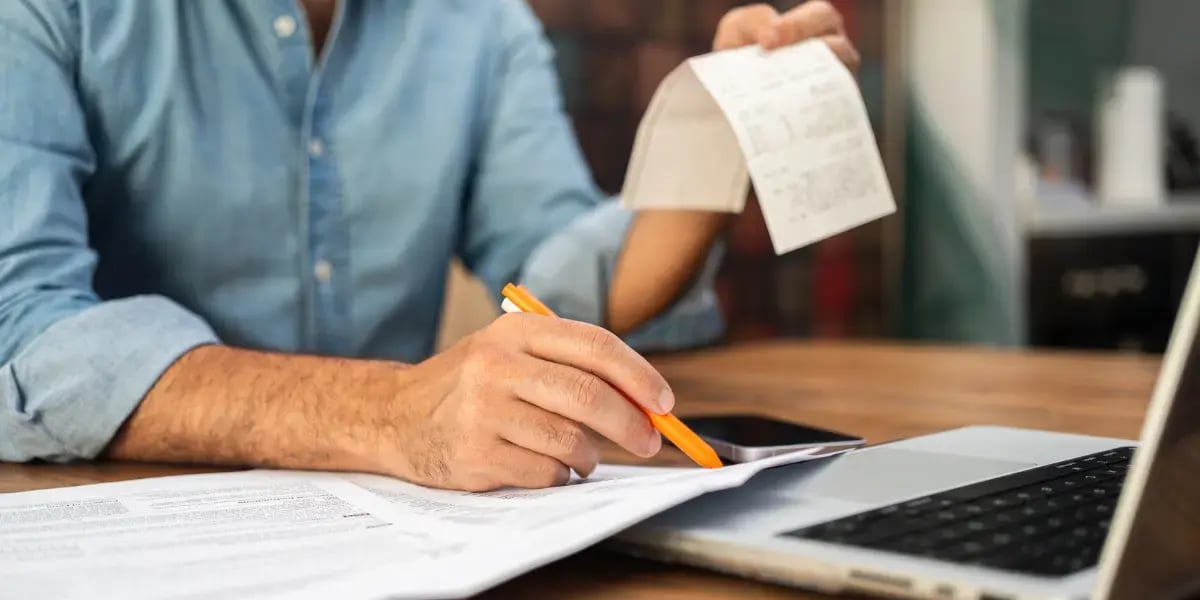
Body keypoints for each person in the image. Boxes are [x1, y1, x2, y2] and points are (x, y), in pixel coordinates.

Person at [0, 1, 859, 491]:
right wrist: (388, 412)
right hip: (116, 524)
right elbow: (20, 326)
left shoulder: (477, 22)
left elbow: (566, 289)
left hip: (407, 529)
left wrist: (718, 126)